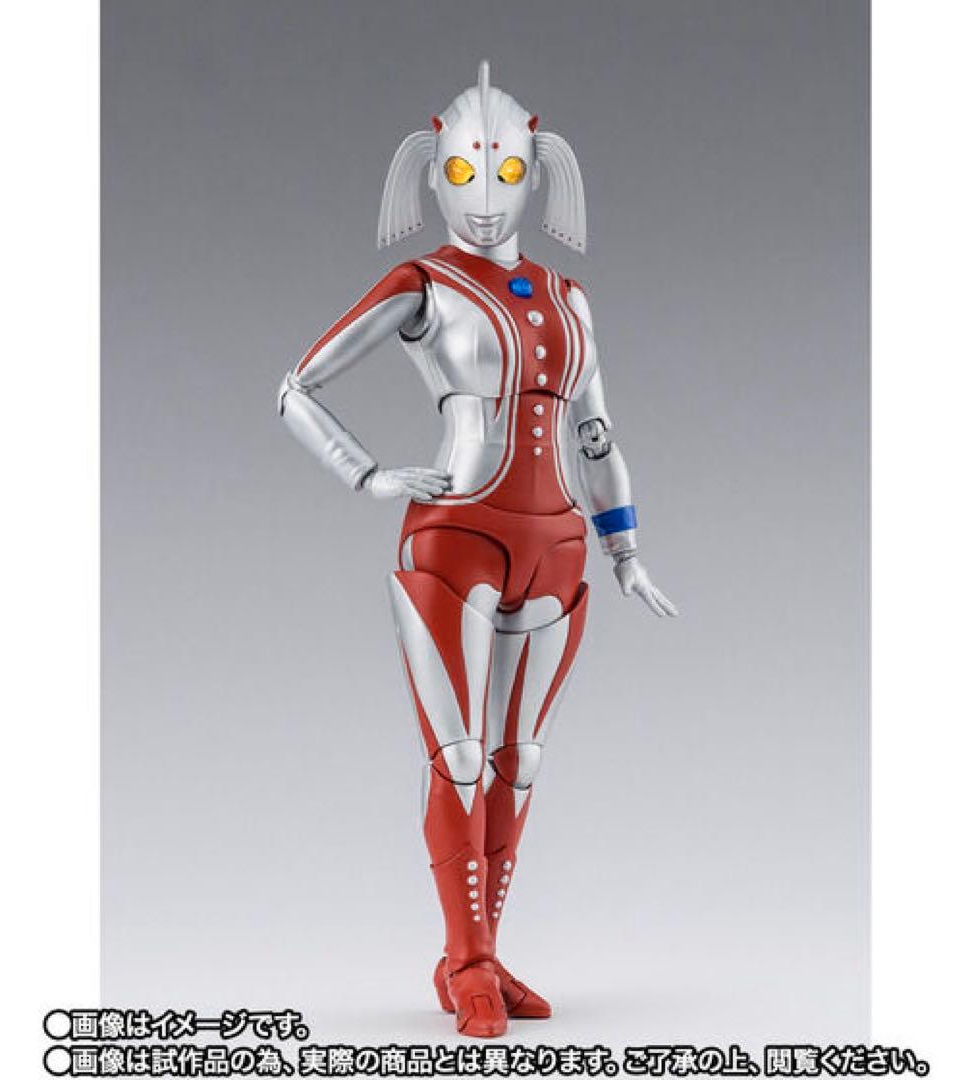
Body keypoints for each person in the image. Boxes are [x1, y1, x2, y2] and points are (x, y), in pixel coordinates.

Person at [278, 61, 677, 1038]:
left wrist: (625, 548)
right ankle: (467, 964)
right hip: (455, 535)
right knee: (458, 758)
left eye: (505, 174)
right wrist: (367, 474)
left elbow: (596, 434)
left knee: (518, 760)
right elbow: (297, 386)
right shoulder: (422, 283)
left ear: (535, 173)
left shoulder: (570, 298)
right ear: (433, 174)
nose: (485, 194)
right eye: (463, 174)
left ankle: (483, 956)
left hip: (559, 544)